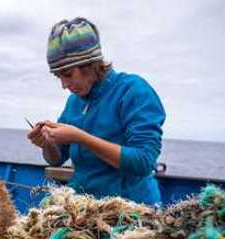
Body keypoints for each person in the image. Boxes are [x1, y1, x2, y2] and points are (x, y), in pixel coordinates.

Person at [28, 17, 166, 205]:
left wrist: (81, 137)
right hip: (84, 206)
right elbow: (56, 159)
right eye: (57, 76)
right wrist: (47, 144)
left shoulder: (134, 91)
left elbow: (143, 162)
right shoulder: (74, 102)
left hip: (130, 209)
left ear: (91, 64)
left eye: (68, 74)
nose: (64, 84)